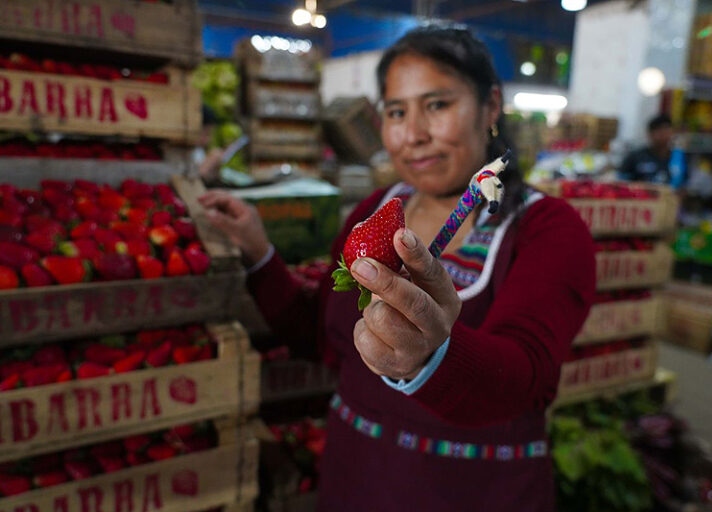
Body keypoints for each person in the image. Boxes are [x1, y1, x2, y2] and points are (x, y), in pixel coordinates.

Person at [200, 25, 595, 511]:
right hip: (353, 482)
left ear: (491, 107)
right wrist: (259, 253)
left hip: (476, 494)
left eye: (437, 105)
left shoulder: (548, 229)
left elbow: (524, 375)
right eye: (395, 112)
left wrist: (435, 355)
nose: (414, 135)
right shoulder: (375, 209)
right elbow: (321, 336)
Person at [619, 114, 674, 183]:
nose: (664, 135)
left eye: (667, 130)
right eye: (659, 131)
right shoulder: (635, 157)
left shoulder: (679, 159)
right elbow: (620, 182)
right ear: (650, 134)